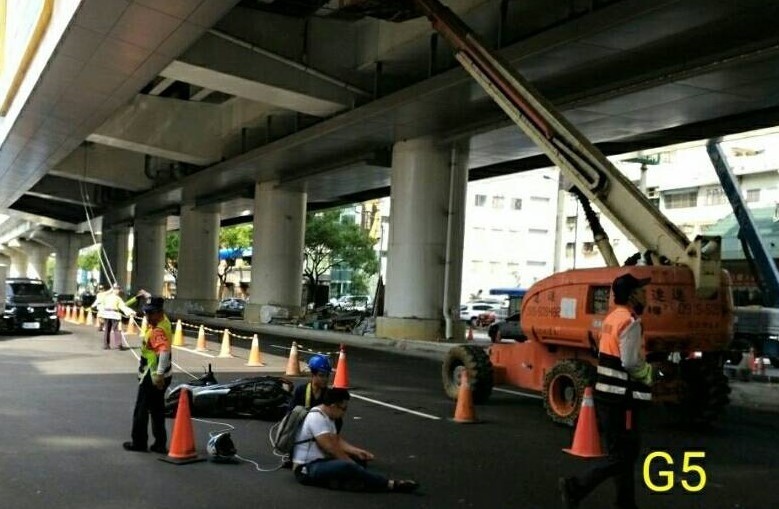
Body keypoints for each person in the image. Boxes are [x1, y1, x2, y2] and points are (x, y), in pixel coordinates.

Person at [559, 273, 654, 509]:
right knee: (625, 455)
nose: (645, 293)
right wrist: (650, 374)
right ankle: (576, 487)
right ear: (632, 295)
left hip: (607, 395)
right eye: (641, 290)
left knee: (619, 453)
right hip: (623, 399)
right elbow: (631, 362)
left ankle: (625, 503)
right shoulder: (630, 322)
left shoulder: (612, 318)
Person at [291, 388, 418, 493]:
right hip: (306, 468)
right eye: (343, 408)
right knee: (348, 465)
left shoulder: (328, 416)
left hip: (321, 461)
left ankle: (341, 481)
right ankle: (391, 484)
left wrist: (356, 451)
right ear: (333, 406)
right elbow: (330, 447)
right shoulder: (316, 417)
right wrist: (351, 464)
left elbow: (337, 440)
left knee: (358, 461)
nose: (344, 412)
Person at [123, 297, 173, 454]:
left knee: (141, 410)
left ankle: (139, 442)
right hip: (162, 374)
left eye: (150, 313)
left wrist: (158, 374)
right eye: (146, 313)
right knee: (157, 409)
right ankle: (160, 443)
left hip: (152, 375)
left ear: (160, 312)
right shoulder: (164, 322)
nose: (147, 317)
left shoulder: (158, 330)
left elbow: (163, 351)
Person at [98, 284, 137, 350]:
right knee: (114, 329)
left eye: (118, 289)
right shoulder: (116, 298)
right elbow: (123, 307)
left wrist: (131, 312)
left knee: (109, 329)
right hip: (112, 314)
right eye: (116, 289)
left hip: (109, 314)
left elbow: (123, 307)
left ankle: (107, 345)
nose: (117, 291)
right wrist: (131, 312)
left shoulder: (109, 297)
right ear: (113, 289)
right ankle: (117, 345)